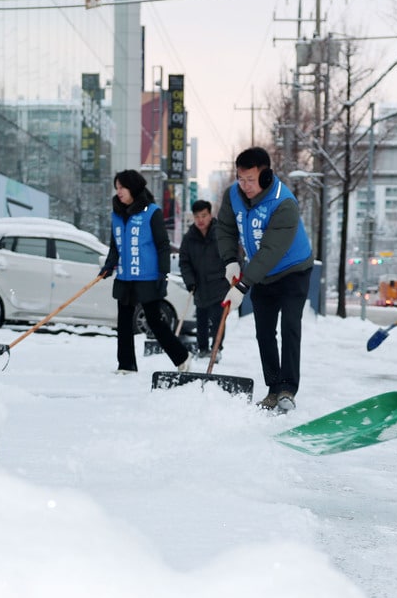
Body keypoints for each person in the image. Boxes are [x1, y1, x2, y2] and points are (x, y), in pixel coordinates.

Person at [214, 147, 315, 412]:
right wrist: (230, 260)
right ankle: (273, 388)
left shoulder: (284, 203)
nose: (244, 185)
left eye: (250, 179)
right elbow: (225, 228)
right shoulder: (233, 195)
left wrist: (243, 285)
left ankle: (288, 389)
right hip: (262, 272)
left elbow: (271, 250)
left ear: (266, 175)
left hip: (293, 270)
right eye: (240, 178)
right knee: (264, 331)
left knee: (290, 325)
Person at [100, 169, 192, 375]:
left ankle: (182, 357)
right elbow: (115, 246)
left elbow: (163, 245)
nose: (119, 192)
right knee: (124, 322)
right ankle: (126, 365)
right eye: (117, 188)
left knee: (154, 321)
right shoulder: (117, 214)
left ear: (134, 188)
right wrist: (109, 265)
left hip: (147, 277)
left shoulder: (151, 212)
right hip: (125, 276)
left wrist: (163, 274)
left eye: (122, 187)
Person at [177, 199, 228, 356]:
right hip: (199, 286)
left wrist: (230, 277)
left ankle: (216, 349)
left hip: (219, 286)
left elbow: (232, 256)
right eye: (197, 216)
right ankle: (203, 349)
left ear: (210, 215)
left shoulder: (221, 234)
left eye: (204, 216)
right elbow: (184, 262)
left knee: (218, 320)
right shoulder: (189, 238)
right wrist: (190, 281)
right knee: (201, 321)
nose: (200, 220)